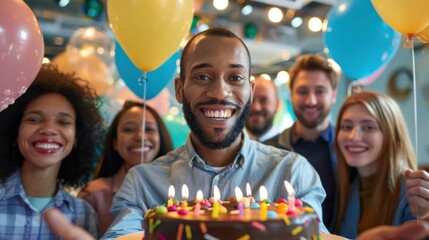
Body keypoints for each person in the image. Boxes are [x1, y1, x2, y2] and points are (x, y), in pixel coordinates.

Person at [102, 27, 327, 238]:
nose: (220, 93)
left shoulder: (292, 173)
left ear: (251, 91)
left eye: (235, 77)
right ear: (180, 90)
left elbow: (316, 236)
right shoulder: (143, 184)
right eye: (202, 77)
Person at [0, 64, 104, 239]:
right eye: (34, 119)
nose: (48, 129)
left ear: (77, 136)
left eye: (63, 122)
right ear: (15, 129)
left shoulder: (84, 215)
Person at [264, 54, 339, 230]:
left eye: (320, 91)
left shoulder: (350, 149)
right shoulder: (268, 151)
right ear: (291, 94)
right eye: (302, 91)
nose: (310, 100)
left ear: (334, 95)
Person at [77, 101, 173, 234]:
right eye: (129, 129)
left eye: (149, 129)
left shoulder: (177, 190)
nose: (140, 137)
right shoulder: (92, 195)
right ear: (115, 142)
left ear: (161, 138)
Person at [333, 91, 417, 238]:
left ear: (392, 134)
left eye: (369, 127)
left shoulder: (413, 192)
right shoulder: (349, 188)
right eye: (346, 127)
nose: (353, 136)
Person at [245, 76, 280, 142]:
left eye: (263, 101)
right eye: (250, 100)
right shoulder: (228, 147)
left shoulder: (288, 147)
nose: (256, 107)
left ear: (277, 105)